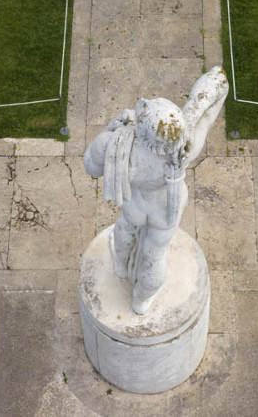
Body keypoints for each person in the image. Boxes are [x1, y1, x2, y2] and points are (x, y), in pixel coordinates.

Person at [83, 66, 228, 314]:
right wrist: (215, 86)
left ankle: (120, 267)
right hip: (166, 208)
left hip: (136, 204)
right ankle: (141, 301)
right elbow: (207, 111)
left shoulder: (119, 145)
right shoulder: (186, 148)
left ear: (143, 128)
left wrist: (111, 129)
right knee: (155, 254)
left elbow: (91, 167)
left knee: (125, 229)